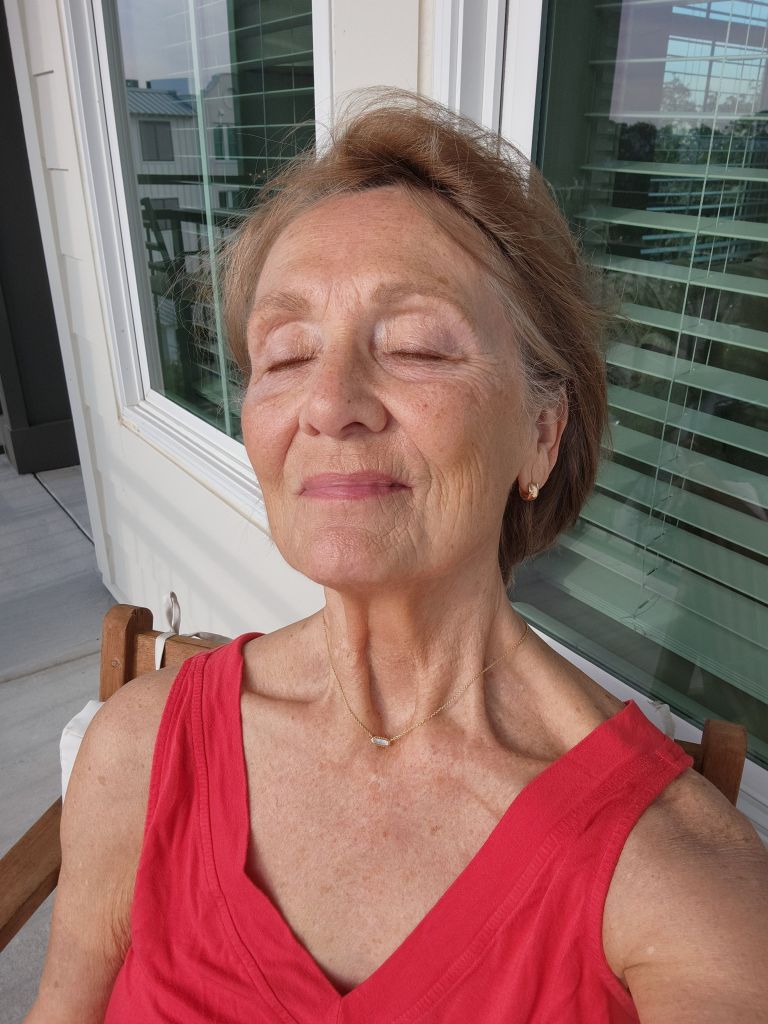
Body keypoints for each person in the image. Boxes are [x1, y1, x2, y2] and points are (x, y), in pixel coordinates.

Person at [26, 91, 768, 1024]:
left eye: (416, 346)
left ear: (541, 436)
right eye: (285, 356)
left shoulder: (678, 881)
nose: (330, 403)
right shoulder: (138, 750)